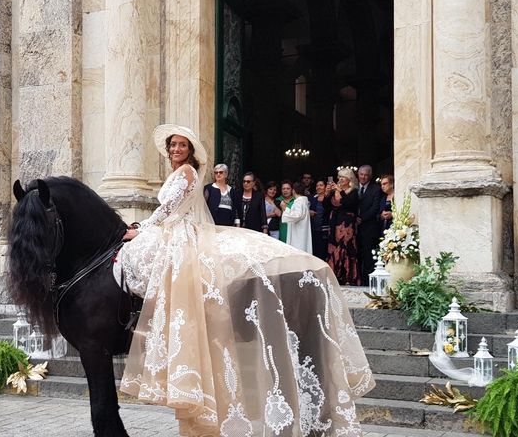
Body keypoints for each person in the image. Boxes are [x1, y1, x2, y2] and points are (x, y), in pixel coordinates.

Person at [118, 124, 374, 436]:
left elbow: (168, 208)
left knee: (155, 264)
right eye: (173, 145)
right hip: (176, 230)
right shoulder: (178, 173)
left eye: (182, 145)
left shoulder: (186, 172)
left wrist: (139, 229)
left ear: (190, 151)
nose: (175, 149)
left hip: (181, 232)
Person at [325, 168, 359, 285]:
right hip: (334, 223)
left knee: (346, 248)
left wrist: (341, 191)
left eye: (342, 177)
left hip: (347, 225)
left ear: (349, 179)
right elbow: (326, 206)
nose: (339, 179)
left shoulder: (353, 191)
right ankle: (335, 277)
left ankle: (348, 277)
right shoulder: (335, 191)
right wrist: (327, 193)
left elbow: (350, 204)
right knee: (334, 248)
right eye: (339, 177)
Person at [357, 165, 383, 284]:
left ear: (370, 176)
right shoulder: (354, 187)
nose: (363, 177)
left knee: (369, 256)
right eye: (361, 174)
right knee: (356, 255)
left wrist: (361, 218)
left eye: (366, 175)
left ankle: (368, 283)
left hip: (369, 227)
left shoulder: (376, 189)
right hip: (353, 228)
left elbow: (375, 208)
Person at [281, 182, 313, 253]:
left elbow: (296, 215)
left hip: (298, 235)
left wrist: (285, 208)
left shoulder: (299, 202)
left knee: (297, 252)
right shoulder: (303, 201)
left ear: (293, 190)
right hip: (301, 232)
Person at [309, 179, 329, 260]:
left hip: (325, 229)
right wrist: (308, 211)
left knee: (323, 252)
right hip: (314, 229)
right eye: (317, 185)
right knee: (315, 252)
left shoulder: (329, 198)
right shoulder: (312, 198)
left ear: (325, 187)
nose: (318, 187)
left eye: (321, 185)